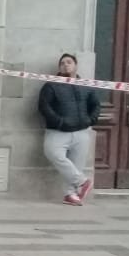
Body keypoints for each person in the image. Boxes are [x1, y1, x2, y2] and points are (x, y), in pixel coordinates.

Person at [38, 53, 100, 206]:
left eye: (69, 62)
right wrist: (59, 122)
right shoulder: (51, 85)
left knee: (77, 164)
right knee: (52, 153)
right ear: (59, 67)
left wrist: (90, 120)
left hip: (81, 132)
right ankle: (82, 182)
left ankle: (70, 195)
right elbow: (44, 106)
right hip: (58, 131)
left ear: (75, 65)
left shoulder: (85, 85)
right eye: (62, 63)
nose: (66, 65)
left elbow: (96, 105)